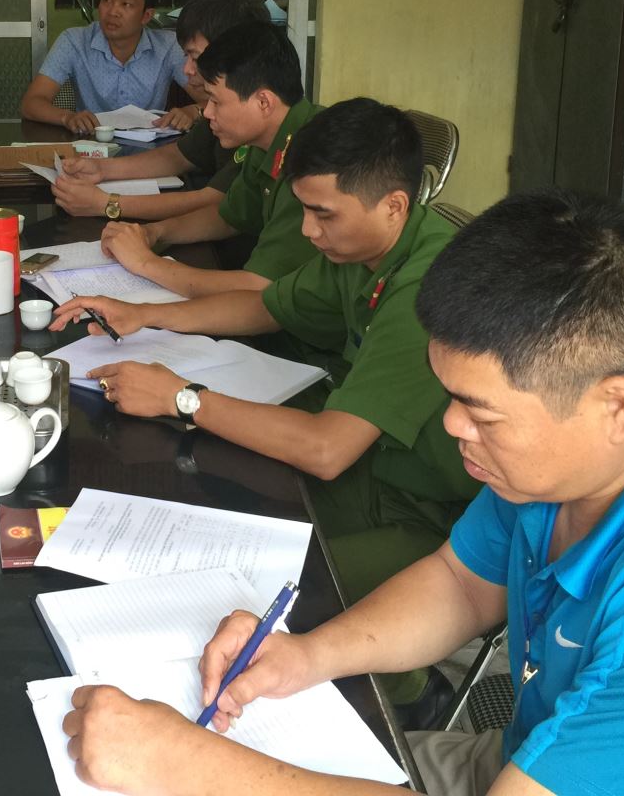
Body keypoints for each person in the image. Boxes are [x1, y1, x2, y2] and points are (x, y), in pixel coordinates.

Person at [62, 189, 624, 796]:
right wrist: (303, 657)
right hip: (538, 758)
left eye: (479, 410)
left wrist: (194, 767)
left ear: (615, 406)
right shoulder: (592, 443)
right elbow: (463, 582)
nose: (454, 426)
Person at [53, 98, 477, 720]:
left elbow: (327, 450)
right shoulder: (363, 252)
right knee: (221, 519)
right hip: (376, 471)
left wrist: (182, 397)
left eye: (323, 213)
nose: (307, 231)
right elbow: (267, 306)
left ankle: (409, 701)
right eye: (303, 209)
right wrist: (143, 315)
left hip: (435, 521)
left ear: (393, 205)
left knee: (262, 596)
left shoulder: (427, 286)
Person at [93, 23, 320, 298]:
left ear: (263, 102)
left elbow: (258, 287)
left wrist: (145, 264)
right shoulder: (266, 141)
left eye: (216, 102)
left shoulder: (315, 159)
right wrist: (155, 233)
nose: (208, 113)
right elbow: (228, 217)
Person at [51, 0, 270, 222]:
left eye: (195, 57)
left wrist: (105, 203)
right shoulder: (219, 108)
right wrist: (101, 169)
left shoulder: (255, 119)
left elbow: (215, 203)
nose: (187, 69)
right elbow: (177, 156)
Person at [20, 0, 193, 134]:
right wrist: (67, 117)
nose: (112, 12)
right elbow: (31, 103)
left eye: (126, 4)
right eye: (107, 0)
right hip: (91, 144)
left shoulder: (169, 46)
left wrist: (191, 112)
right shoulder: (74, 41)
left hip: (150, 146)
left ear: (146, 16)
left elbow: (207, 98)